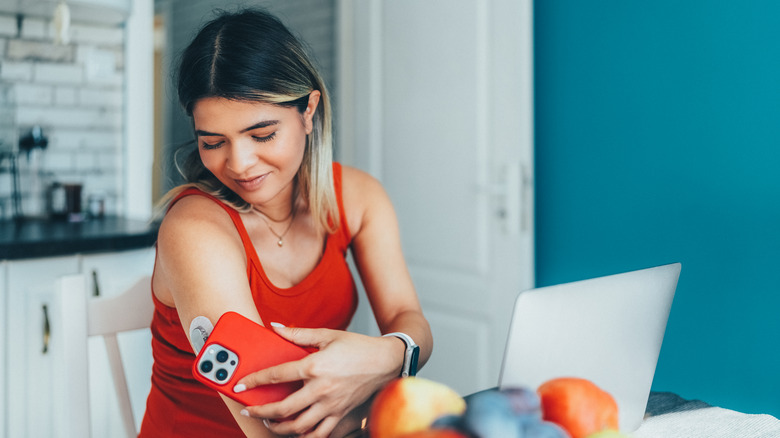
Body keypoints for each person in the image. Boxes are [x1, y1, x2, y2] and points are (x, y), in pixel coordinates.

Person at [138, 7, 432, 438]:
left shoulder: (358, 198)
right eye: (213, 142)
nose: (238, 164)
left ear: (308, 110)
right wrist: (375, 393)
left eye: (262, 135)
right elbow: (272, 423)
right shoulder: (195, 230)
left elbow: (410, 318)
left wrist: (387, 356)